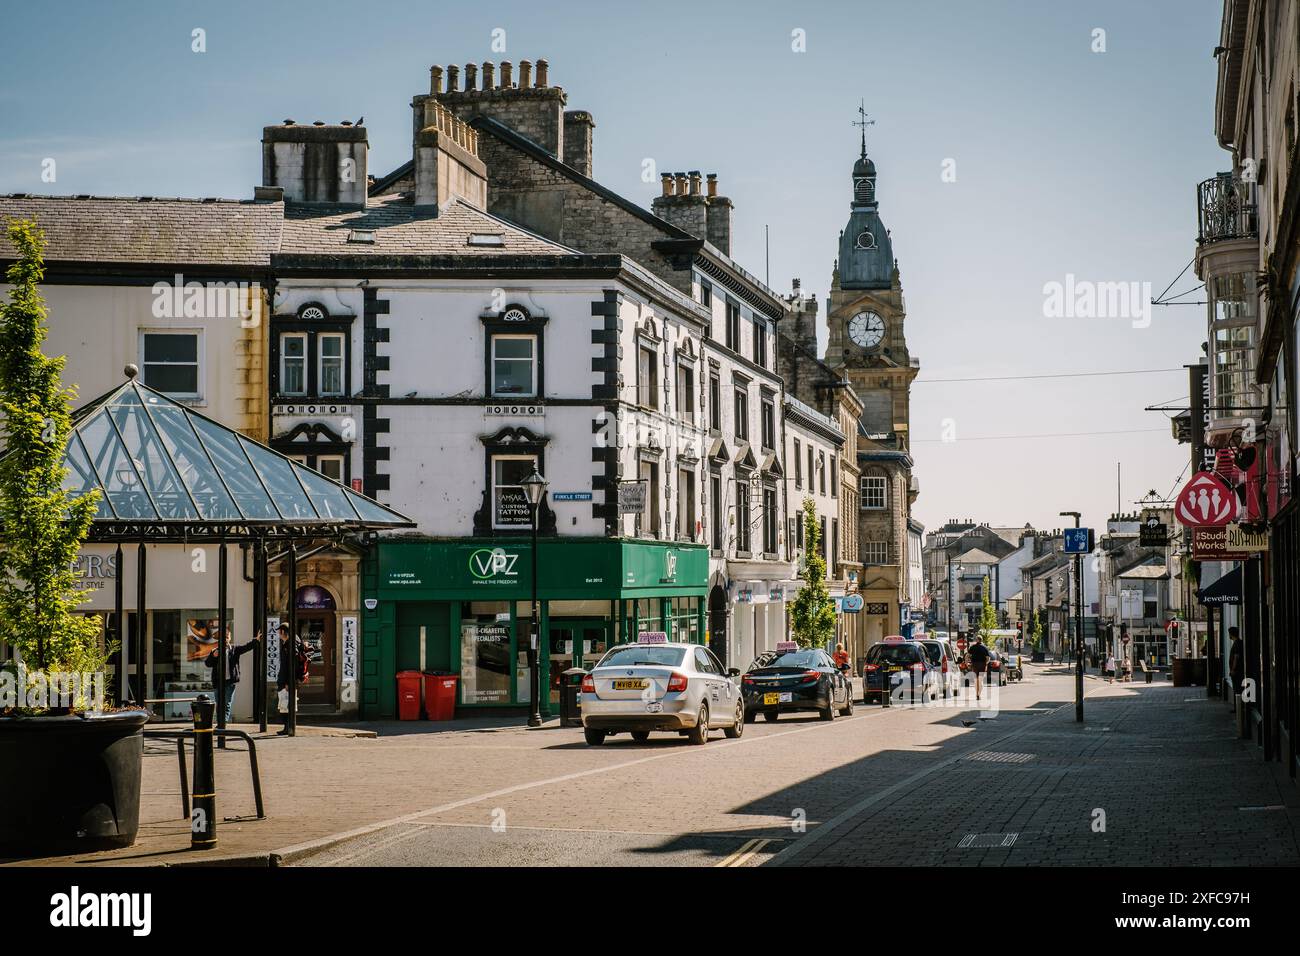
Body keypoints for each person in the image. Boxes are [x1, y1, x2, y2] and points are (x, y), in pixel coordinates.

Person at [202, 628, 261, 723]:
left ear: (230, 638)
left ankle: (223, 723)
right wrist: (213, 656)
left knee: (227, 703)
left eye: (227, 637)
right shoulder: (215, 650)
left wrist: (256, 640)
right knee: (219, 704)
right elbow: (208, 664)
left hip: (230, 682)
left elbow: (246, 647)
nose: (225, 639)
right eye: (223, 637)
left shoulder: (234, 649)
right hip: (218, 682)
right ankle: (219, 723)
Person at [276, 623, 309, 732]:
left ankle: (288, 727)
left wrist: (288, 682)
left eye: (279, 631)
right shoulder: (292, 642)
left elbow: (291, 664)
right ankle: (287, 727)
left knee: (285, 704)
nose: (278, 634)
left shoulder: (290, 644)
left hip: (287, 680)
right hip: (287, 679)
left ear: (283, 632)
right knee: (285, 703)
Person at [1228, 626, 1244, 697]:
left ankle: (1238, 707)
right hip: (1238, 671)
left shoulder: (1237, 644)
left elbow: (1236, 657)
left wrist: (1233, 669)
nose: (1229, 635)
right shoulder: (1239, 643)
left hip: (1237, 672)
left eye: (1229, 634)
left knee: (1237, 689)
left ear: (1231, 634)